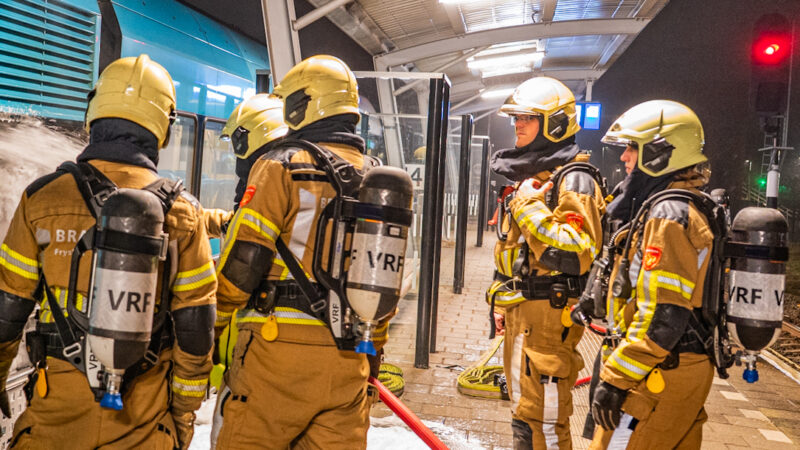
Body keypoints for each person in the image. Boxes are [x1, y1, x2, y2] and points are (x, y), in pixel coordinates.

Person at [0, 54, 216, 449]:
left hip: (54, 419)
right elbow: (196, 329)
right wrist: (181, 414)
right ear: (163, 127)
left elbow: (7, 310)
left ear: (93, 113)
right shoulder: (185, 212)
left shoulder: (41, 198)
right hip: (144, 422)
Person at [214, 55, 390, 449]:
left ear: (303, 104)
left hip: (277, 355)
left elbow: (244, 261)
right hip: (348, 359)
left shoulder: (282, 166)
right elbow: (383, 277)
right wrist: (372, 352)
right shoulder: (378, 181)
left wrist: (213, 326)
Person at [486, 76, 606, 449]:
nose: (517, 125)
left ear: (554, 124)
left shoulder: (573, 180)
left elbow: (574, 252)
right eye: (516, 118)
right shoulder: (535, 177)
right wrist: (500, 297)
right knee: (526, 412)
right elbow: (515, 250)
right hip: (525, 312)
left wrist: (525, 205)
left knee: (546, 421)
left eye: (527, 118)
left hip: (550, 319)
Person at [588, 100, 714, 449]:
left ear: (660, 153)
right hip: (682, 367)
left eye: (632, 147)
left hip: (655, 374)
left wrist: (614, 381)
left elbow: (663, 315)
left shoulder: (667, 215)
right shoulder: (688, 205)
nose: (624, 157)